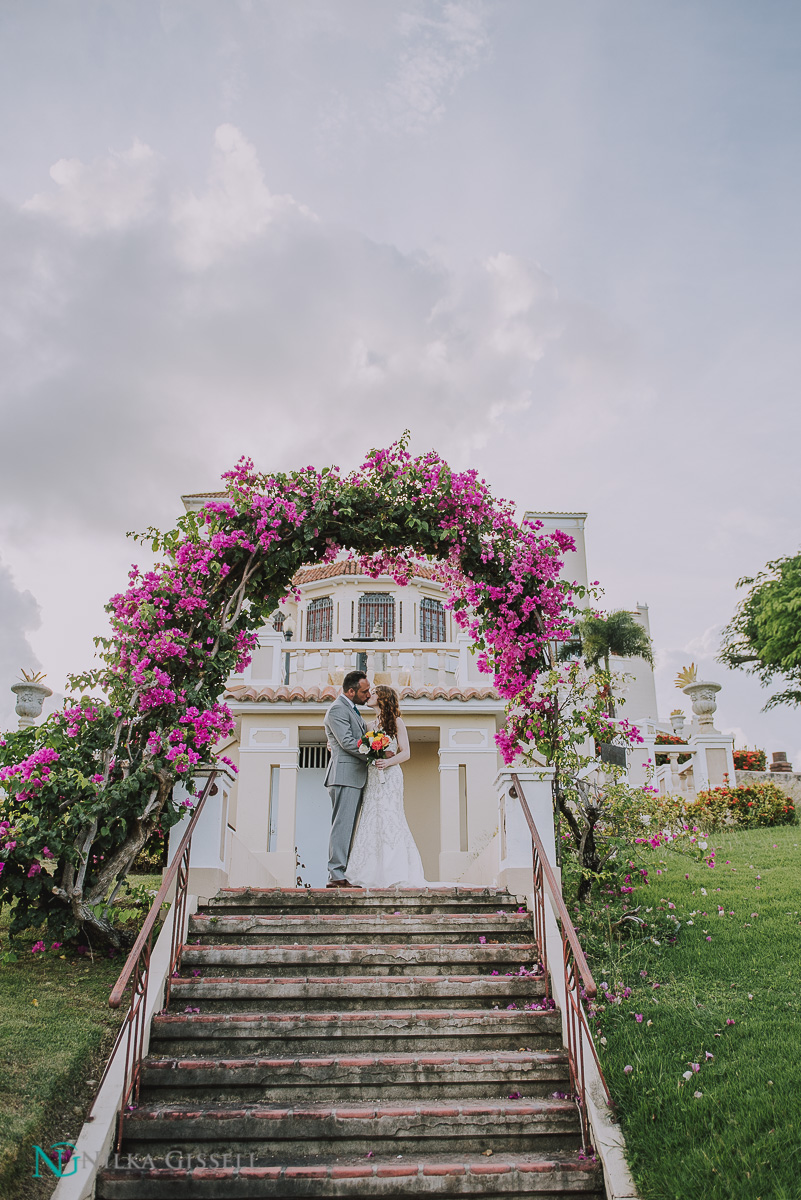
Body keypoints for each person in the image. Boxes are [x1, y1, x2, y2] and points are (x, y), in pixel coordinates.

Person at [345, 684, 427, 888]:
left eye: (373, 693)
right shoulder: (369, 725)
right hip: (373, 776)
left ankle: (396, 871)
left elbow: (406, 752)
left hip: (390, 776)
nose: (369, 695)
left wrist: (387, 762)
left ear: (383, 698)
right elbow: (355, 745)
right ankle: (369, 872)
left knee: (391, 817)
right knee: (371, 817)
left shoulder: (397, 722)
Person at [323, 670, 371, 888]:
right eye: (364, 691)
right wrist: (375, 753)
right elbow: (348, 742)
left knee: (349, 827)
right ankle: (336, 874)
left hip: (353, 776)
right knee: (342, 826)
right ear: (351, 691)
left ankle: (344, 872)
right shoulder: (336, 710)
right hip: (344, 776)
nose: (368, 695)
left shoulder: (351, 709)